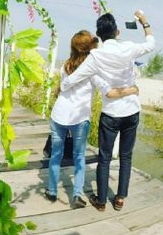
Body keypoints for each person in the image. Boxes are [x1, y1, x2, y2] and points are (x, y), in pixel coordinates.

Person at [60, 11, 155, 212]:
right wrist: (144, 21)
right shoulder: (128, 48)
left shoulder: (95, 56)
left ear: (99, 35)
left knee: (104, 157)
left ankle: (101, 201)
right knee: (126, 156)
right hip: (131, 110)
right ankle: (120, 198)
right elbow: (150, 44)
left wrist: (64, 85)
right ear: (117, 32)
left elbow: (73, 79)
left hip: (111, 114)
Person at [46, 30, 139, 209]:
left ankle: (51, 191)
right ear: (91, 48)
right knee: (79, 156)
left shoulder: (65, 66)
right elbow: (110, 93)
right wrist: (132, 90)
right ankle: (77, 194)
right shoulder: (93, 70)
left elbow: (62, 87)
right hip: (79, 118)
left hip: (58, 115)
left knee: (56, 155)